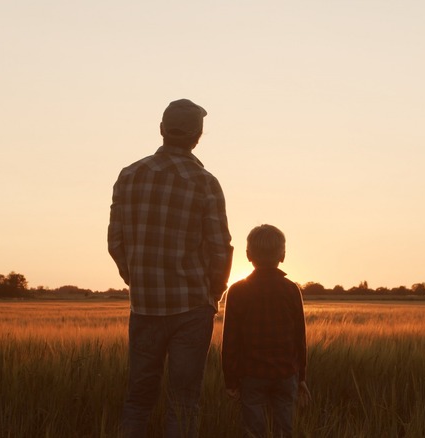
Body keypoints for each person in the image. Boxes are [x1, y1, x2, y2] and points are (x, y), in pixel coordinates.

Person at [108, 98, 233, 437]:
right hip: (192, 307)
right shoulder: (205, 182)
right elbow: (220, 247)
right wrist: (214, 292)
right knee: (183, 402)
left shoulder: (129, 175)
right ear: (198, 135)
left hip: (145, 307)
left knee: (138, 399)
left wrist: (136, 279)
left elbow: (115, 242)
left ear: (162, 130)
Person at [221, 224, 311, 438]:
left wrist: (230, 381)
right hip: (286, 374)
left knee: (254, 431)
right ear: (283, 255)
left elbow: (230, 341)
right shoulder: (291, 290)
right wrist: (301, 377)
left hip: (251, 375)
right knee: (284, 430)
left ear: (248, 255)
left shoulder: (237, 291)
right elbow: (300, 338)